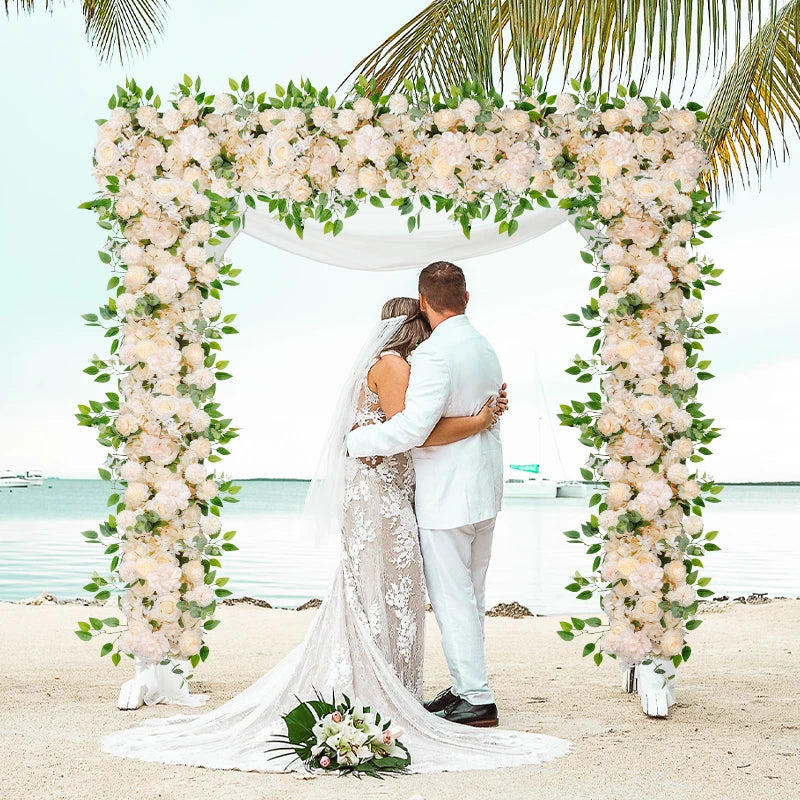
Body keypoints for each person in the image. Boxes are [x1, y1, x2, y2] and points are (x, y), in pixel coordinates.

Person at [101, 291, 569, 773]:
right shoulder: (394, 366)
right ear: (417, 323)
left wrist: (480, 410)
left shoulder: (408, 364)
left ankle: (408, 691)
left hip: (395, 493)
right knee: (385, 591)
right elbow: (414, 431)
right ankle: (392, 692)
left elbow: (416, 425)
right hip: (381, 496)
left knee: (392, 593)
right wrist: (480, 418)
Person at [347, 261, 505, 728]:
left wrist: (355, 442)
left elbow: (414, 429)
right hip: (484, 489)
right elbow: (486, 409)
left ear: (423, 302)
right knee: (472, 594)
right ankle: (465, 686)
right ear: (467, 298)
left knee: (453, 597)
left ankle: (475, 697)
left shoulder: (435, 354)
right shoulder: (485, 346)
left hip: (447, 494)